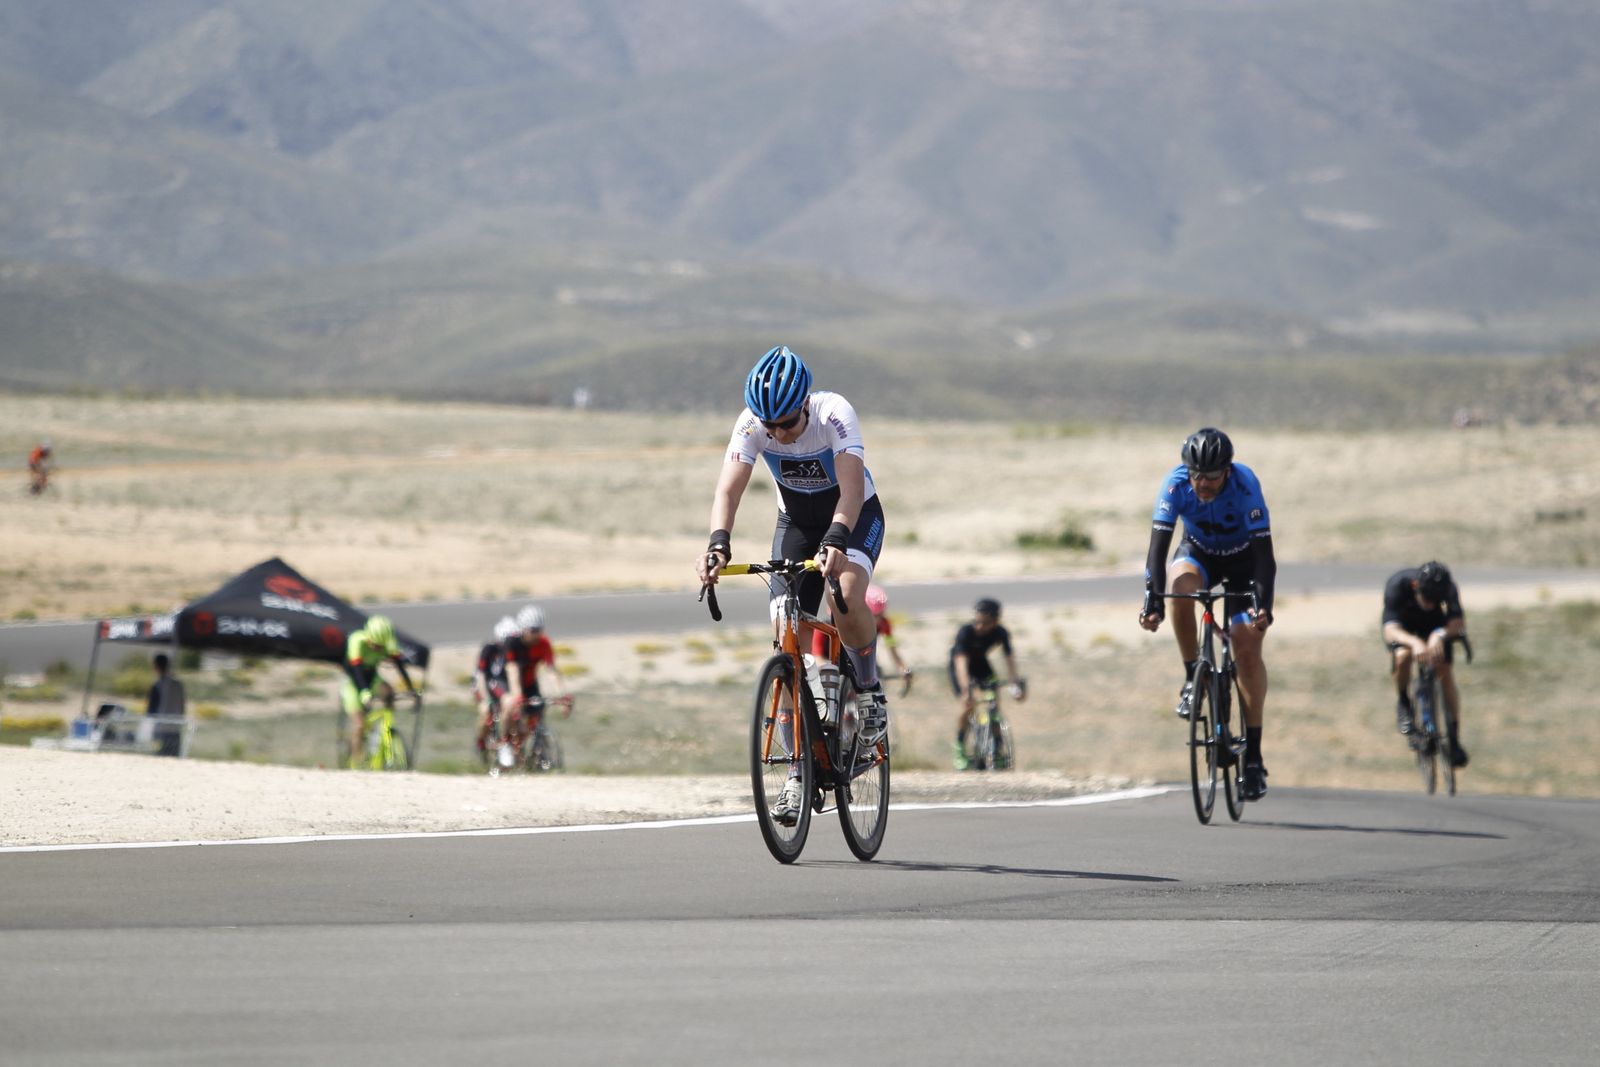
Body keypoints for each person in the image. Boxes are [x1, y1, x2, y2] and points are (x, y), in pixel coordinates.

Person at [695, 345, 888, 826]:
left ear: (804, 404)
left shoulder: (833, 413)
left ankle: (868, 691)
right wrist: (718, 544)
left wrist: (836, 539)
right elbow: (728, 489)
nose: (778, 434)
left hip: (853, 516)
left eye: (786, 424)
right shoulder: (752, 423)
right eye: (770, 426)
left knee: (845, 595)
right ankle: (797, 774)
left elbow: (850, 491)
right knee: (784, 632)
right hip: (797, 523)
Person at [1138, 427, 1276, 800]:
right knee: (1178, 590)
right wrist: (1152, 600)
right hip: (1199, 553)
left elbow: (1265, 558)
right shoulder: (1175, 484)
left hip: (1244, 564)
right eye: (1196, 474)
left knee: (1247, 649)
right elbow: (1157, 550)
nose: (1202, 483)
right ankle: (1192, 679)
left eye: (1211, 476)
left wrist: (1264, 605)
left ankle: (1253, 758)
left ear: (1227, 471)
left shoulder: (1246, 485)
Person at [1383, 561, 1469, 767]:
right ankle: (1404, 702)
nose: (1430, 604)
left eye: (1436, 601)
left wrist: (1440, 634)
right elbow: (1390, 630)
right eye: (1427, 599)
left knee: (1444, 671)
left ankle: (1454, 738)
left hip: (1435, 627)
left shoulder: (1448, 588)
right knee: (1403, 656)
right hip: (1405, 628)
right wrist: (1414, 643)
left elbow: (1458, 623)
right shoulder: (1397, 585)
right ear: (1415, 586)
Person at [948, 598, 1025, 770]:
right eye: (977, 621)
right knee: (969, 705)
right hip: (960, 667)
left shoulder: (1001, 633)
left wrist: (1014, 682)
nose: (979, 626)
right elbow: (961, 663)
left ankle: (997, 747)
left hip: (980, 664)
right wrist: (966, 689)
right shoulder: (966, 632)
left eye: (984, 623)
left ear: (995, 621)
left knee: (994, 701)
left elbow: (1009, 658)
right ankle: (960, 746)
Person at [342, 614, 418, 766]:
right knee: (359, 725)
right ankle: (354, 763)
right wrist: (364, 692)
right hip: (353, 682)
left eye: (380, 647)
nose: (377, 649)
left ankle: (385, 729)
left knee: (388, 692)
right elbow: (356, 670)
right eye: (375, 645)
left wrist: (410, 689)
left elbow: (399, 666)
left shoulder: (389, 644)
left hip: (373, 678)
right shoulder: (357, 641)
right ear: (368, 637)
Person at [500, 603, 569, 758]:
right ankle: (504, 743)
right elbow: (512, 671)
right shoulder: (512, 643)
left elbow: (552, 670)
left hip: (529, 683)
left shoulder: (543, 643)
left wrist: (563, 694)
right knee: (510, 705)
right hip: (507, 683)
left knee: (538, 713)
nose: (537, 634)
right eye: (533, 630)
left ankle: (537, 751)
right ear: (523, 629)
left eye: (540, 630)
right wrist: (517, 696)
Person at [472, 615, 517, 767]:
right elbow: (481, 676)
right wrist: (486, 699)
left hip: (499, 685)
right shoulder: (489, 649)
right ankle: (480, 742)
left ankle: (509, 743)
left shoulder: (513, 651)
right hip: (483, 685)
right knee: (486, 712)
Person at [864, 583, 913, 692]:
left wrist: (903, 668)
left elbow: (892, 647)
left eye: (880, 614)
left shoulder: (884, 623)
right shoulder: (852, 622)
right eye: (874, 616)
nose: (878, 620)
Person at [144, 652, 187, 757]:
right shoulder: (178, 685)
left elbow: (151, 710)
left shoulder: (158, 685)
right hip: (176, 727)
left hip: (161, 728)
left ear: (156, 666)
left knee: (160, 757)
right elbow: (182, 706)